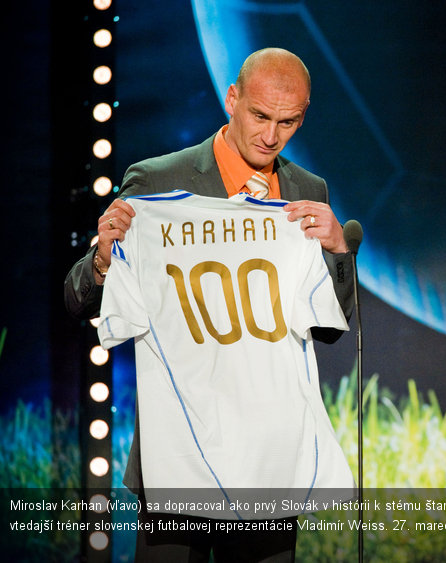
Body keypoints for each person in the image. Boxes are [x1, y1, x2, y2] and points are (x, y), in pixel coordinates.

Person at [64, 47, 354, 562]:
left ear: (303, 115)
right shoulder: (157, 182)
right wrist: (105, 261)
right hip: (182, 463)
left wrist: (338, 253)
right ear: (232, 99)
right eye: (260, 116)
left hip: (268, 466)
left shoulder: (309, 190)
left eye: (287, 122)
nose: (271, 135)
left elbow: (330, 326)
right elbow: (77, 299)